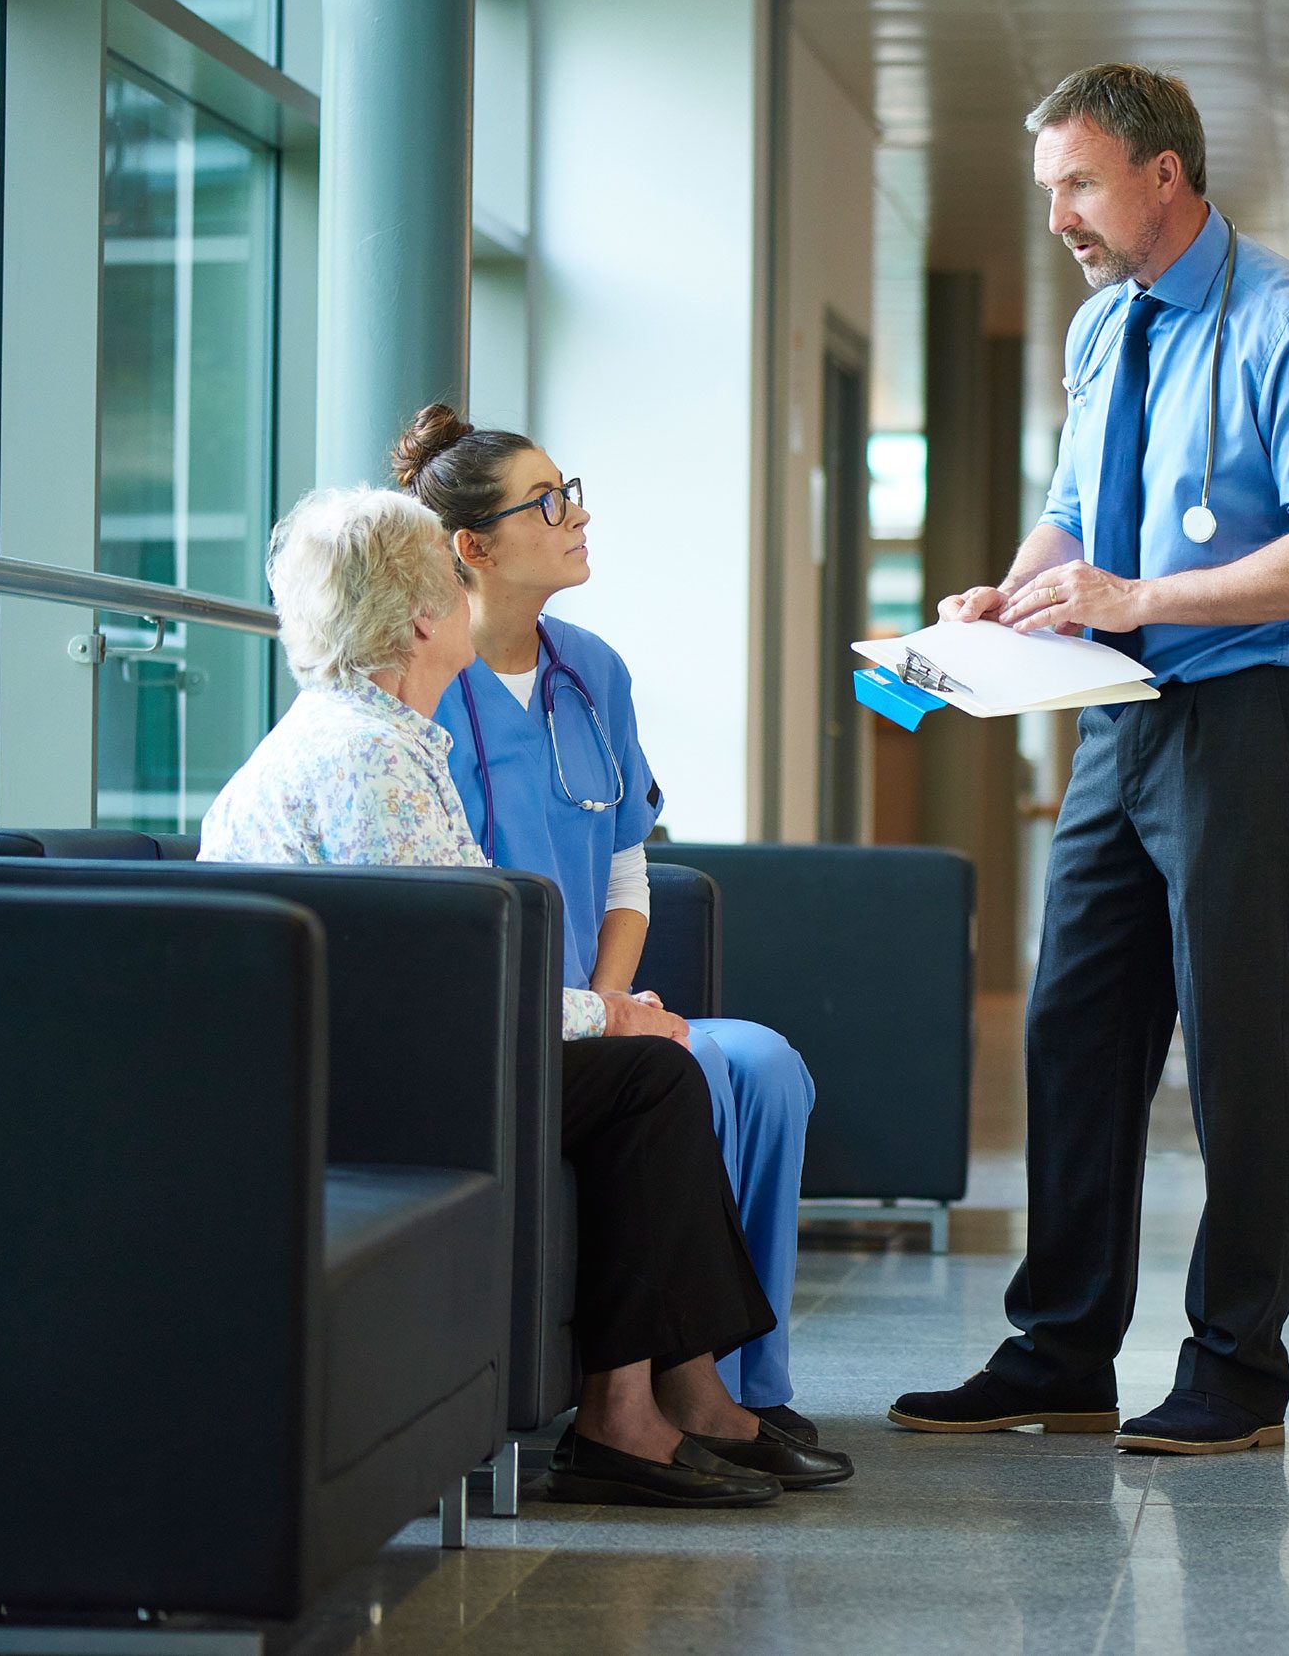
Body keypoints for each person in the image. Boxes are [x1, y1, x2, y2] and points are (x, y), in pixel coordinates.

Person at [888, 63, 1289, 1456]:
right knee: (1077, 1027)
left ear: (1164, 175)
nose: (1060, 217)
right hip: (1121, 712)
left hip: (1256, 719)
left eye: (1080, 184)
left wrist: (1140, 597)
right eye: (1048, 189)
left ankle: (1239, 1365)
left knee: (1233, 1044)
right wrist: (1016, 591)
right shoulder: (1101, 332)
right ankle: (1061, 1345)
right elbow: (1067, 517)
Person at [199, 484, 852, 1505]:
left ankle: (674, 1398)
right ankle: (634, 1415)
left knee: (644, 1076)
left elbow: (456, 958)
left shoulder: (382, 740)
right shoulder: (370, 762)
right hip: (354, 1081)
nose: (471, 608)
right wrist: (614, 1012)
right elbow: (462, 977)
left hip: (371, 1049)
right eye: (456, 591)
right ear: (424, 619)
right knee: (646, 1076)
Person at [388, 404, 824, 1446]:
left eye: (569, 491)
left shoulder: (595, 672)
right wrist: (602, 1017)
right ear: (473, 549)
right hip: (518, 1019)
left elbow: (630, 861)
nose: (577, 516)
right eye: (548, 503)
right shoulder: (421, 687)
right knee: (694, 1074)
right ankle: (675, 1387)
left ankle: (739, 1378)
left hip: (599, 1004)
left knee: (764, 1066)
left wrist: (618, 998)